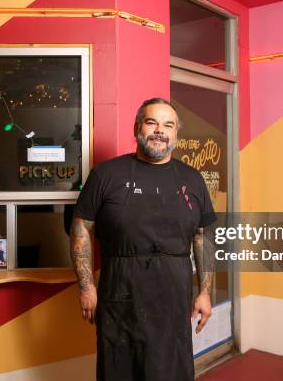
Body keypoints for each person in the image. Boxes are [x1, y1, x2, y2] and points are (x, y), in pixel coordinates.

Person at [70, 97, 216, 381]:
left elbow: (202, 238)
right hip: (120, 289)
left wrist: (205, 291)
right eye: (152, 123)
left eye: (168, 125)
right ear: (138, 128)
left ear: (175, 133)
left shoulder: (193, 179)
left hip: (173, 292)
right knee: (119, 368)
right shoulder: (106, 174)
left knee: (169, 369)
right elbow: (81, 229)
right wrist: (86, 286)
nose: (160, 131)